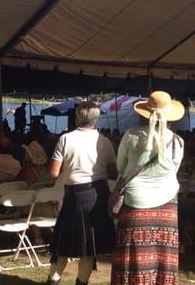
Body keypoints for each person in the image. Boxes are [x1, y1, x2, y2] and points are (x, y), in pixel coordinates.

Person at [111, 91, 184, 285]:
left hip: (136, 200)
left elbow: (121, 167)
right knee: (163, 253)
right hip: (167, 202)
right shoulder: (177, 141)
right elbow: (173, 170)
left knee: (133, 252)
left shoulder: (132, 135)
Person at [46, 101, 116, 285]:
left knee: (63, 243)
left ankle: (53, 280)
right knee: (89, 246)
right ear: (96, 118)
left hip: (74, 196)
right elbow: (114, 172)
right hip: (99, 194)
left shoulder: (66, 139)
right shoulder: (105, 141)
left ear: (77, 117)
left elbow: (53, 173)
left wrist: (70, 171)